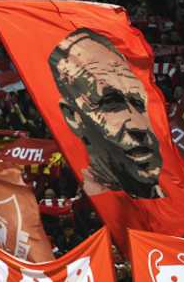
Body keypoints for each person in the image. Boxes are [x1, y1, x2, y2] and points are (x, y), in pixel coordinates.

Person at [48, 28, 166, 199]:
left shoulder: (174, 200)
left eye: (139, 103)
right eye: (111, 103)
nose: (139, 126)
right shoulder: (90, 208)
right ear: (73, 116)